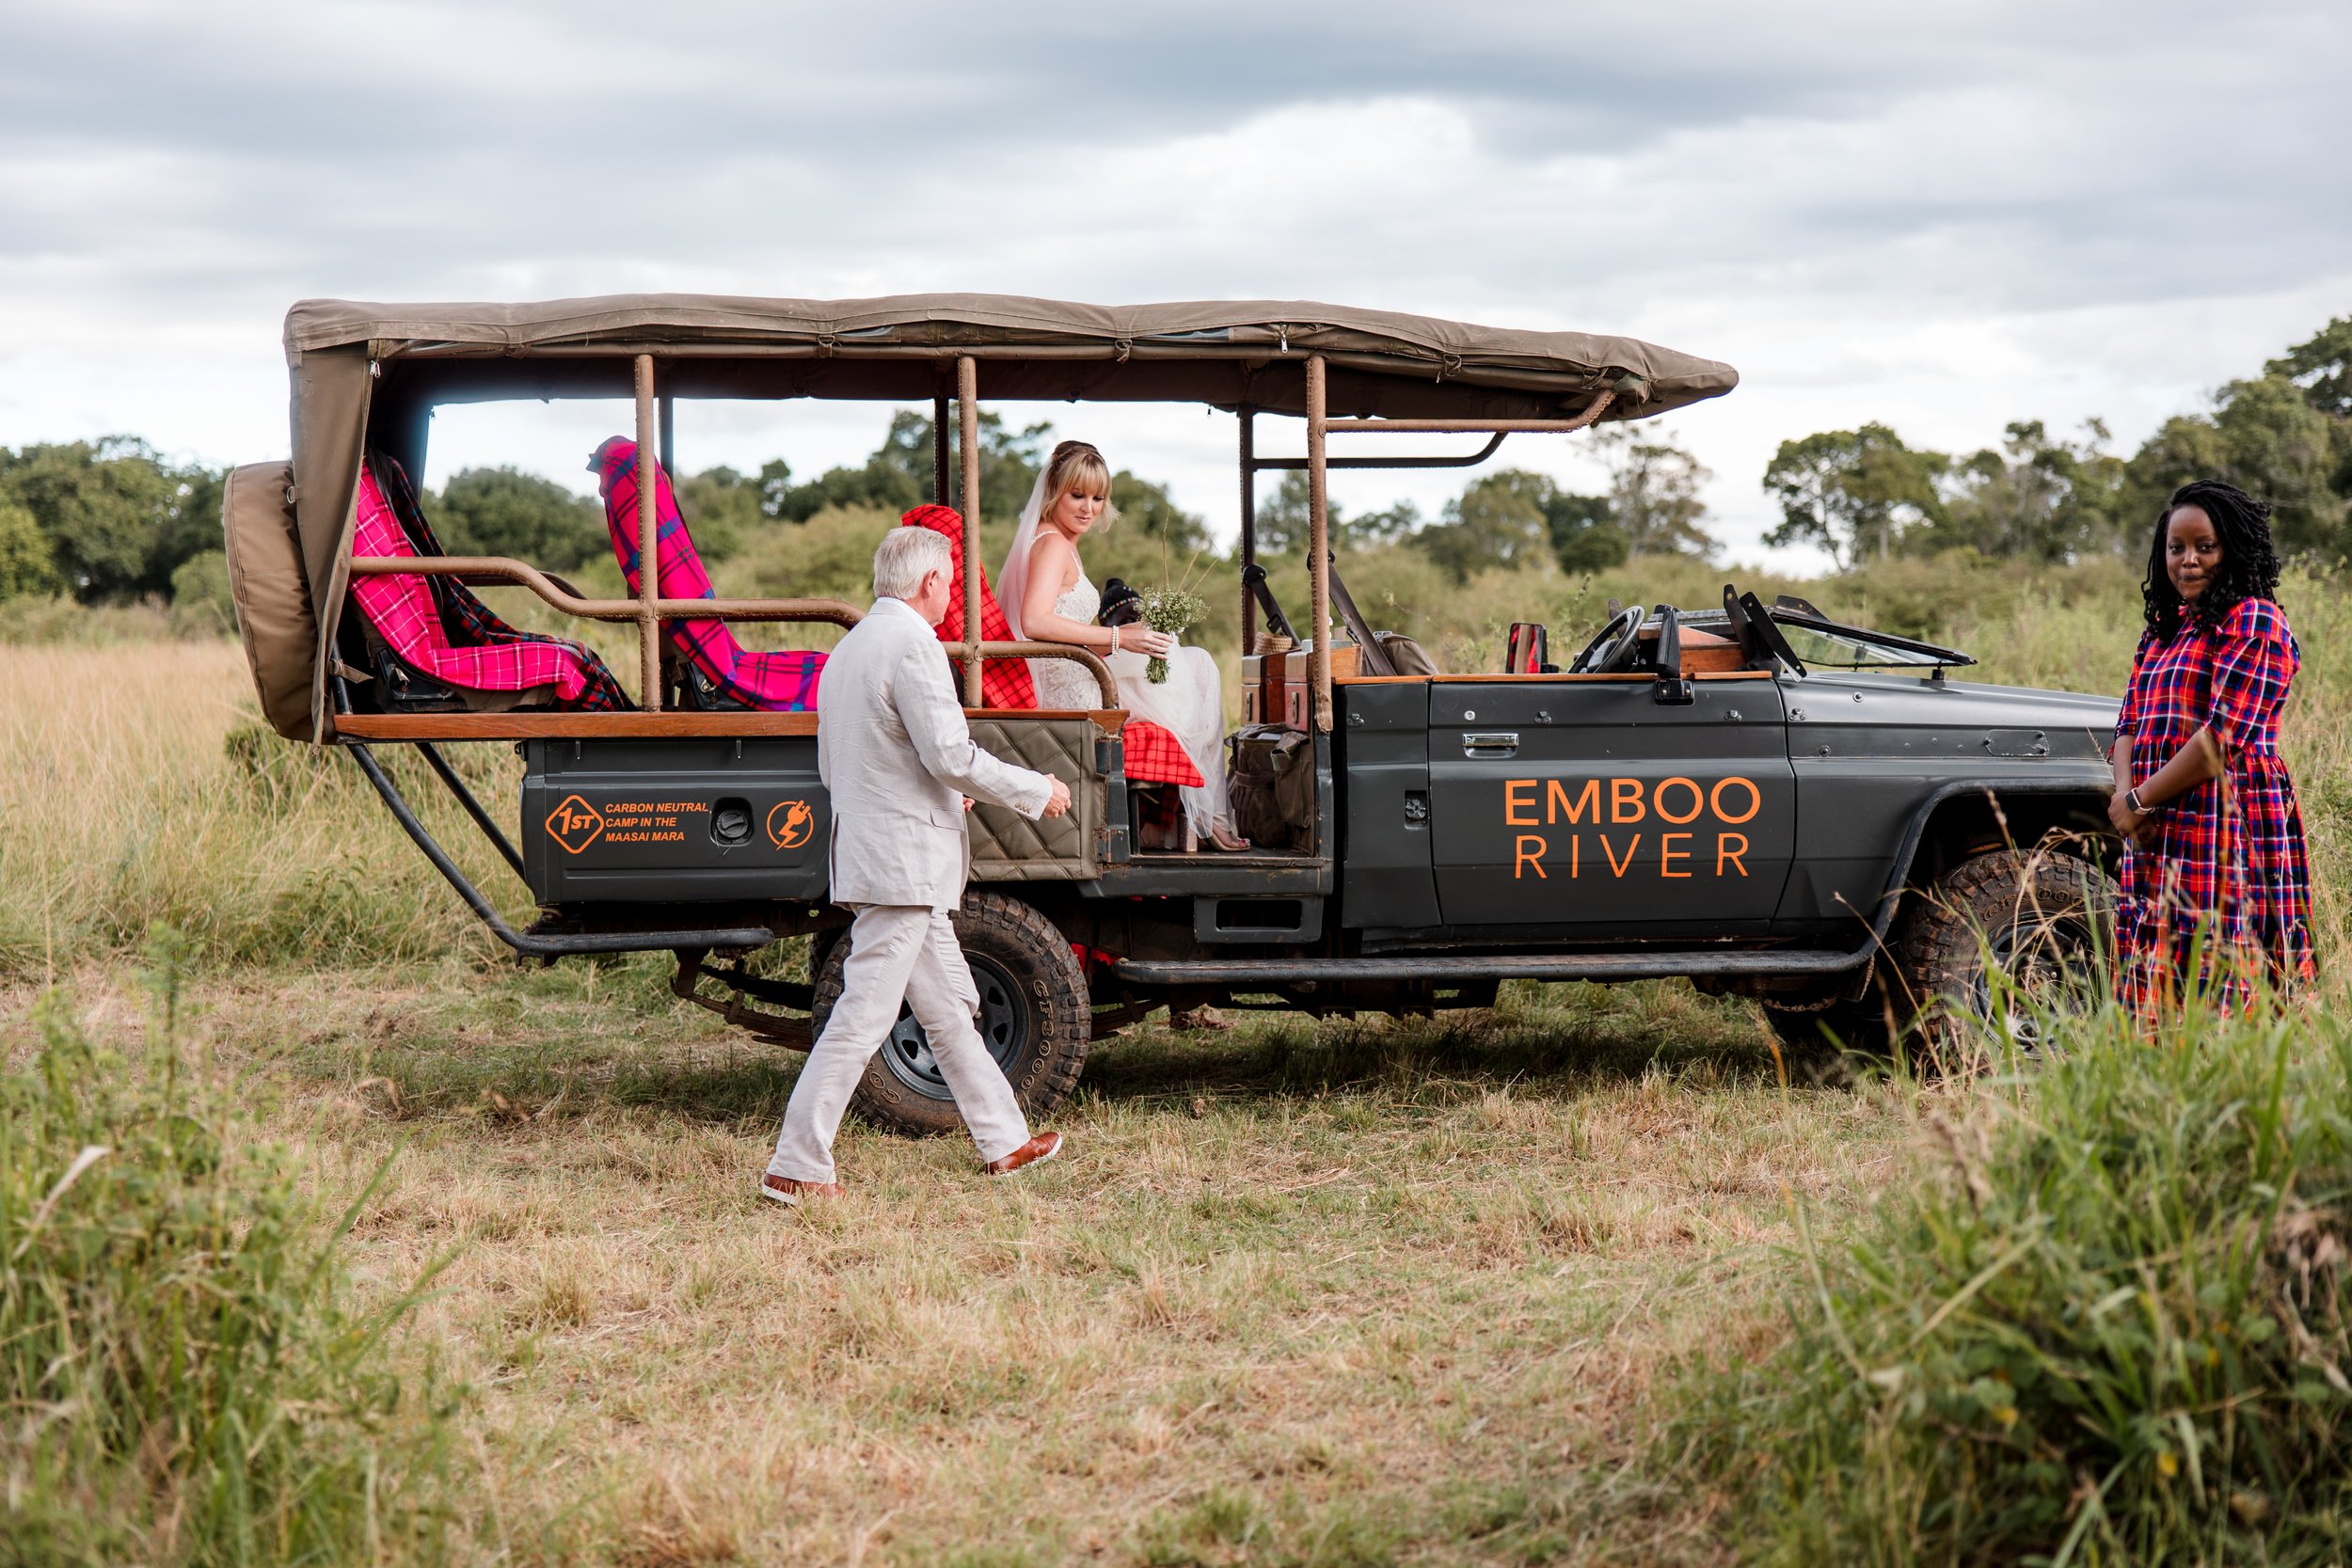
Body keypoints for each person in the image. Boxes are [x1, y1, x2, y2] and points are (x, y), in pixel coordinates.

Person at [762, 527, 1073, 1205]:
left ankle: (1004, 1141)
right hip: (905, 862)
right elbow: (950, 753)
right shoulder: (913, 644)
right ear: (930, 581)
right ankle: (797, 1161)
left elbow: (849, 764)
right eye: (950, 583)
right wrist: (1035, 788)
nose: (952, 595)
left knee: (950, 1010)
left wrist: (939, 784)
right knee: (863, 1015)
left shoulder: (848, 651)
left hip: (883, 855)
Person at [2107, 480, 2312, 1018]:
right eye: (2177, 548)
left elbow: (2221, 740)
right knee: (2153, 983)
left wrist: (2139, 802)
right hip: (2154, 824)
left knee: (2223, 974)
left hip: (2224, 820)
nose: (2188, 561)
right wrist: (2127, 796)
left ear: (2234, 550)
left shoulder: (2255, 622)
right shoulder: (2162, 630)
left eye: (2206, 546)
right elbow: (2128, 719)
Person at [999, 439, 1249, 851]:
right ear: (1052, 491)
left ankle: (1190, 820)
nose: (1088, 508)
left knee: (1191, 663)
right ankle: (1210, 819)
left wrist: (1129, 640)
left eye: (1097, 498)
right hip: (1074, 687)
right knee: (1198, 668)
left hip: (1082, 668)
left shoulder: (1057, 541)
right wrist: (1119, 637)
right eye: (1077, 495)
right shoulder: (1052, 544)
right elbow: (1035, 620)